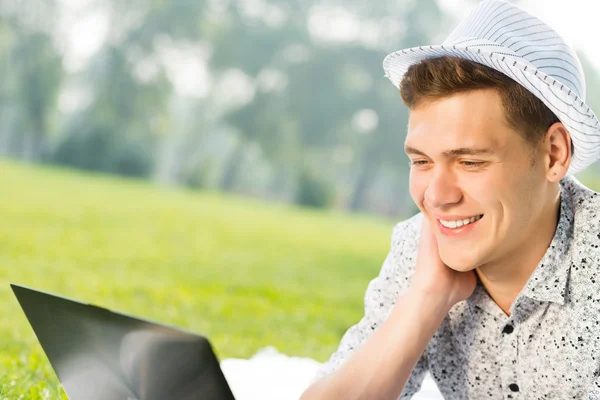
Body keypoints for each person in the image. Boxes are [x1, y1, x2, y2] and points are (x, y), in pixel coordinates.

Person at [300, 1, 600, 399]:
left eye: (471, 161)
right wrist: (428, 298)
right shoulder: (421, 248)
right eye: (421, 161)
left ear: (554, 154)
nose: (437, 197)